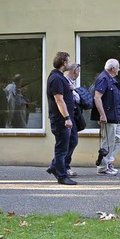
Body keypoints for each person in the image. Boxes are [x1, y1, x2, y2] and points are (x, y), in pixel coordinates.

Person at [45, 52, 77, 185]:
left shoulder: (60, 77)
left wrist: (69, 88)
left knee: (71, 142)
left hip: (65, 118)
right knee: (61, 148)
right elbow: (59, 100)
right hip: (61, 119)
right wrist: (67, 118)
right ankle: (61, 176)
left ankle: (54, 166)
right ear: (63, 62)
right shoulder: (56, 78)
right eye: (68, 62)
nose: (69, 64)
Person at [63, 63, 81, 178]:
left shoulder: (71, 83)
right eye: (79, 71)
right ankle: (62, 166)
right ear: (75, 70)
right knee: (70, 141)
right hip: (67, 116)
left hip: (72, 115)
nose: (79, 74)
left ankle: (61, 165)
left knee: (71, 141)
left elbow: (78, 98)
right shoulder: (65, 81)